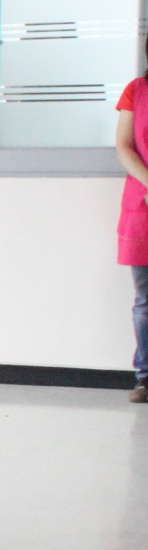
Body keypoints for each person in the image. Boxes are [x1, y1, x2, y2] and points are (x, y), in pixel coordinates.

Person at [115, 58, 148, 402]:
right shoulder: (136, 91)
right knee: (145, 300)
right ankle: (146, 377)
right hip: (144, 205)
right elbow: (124, 146)